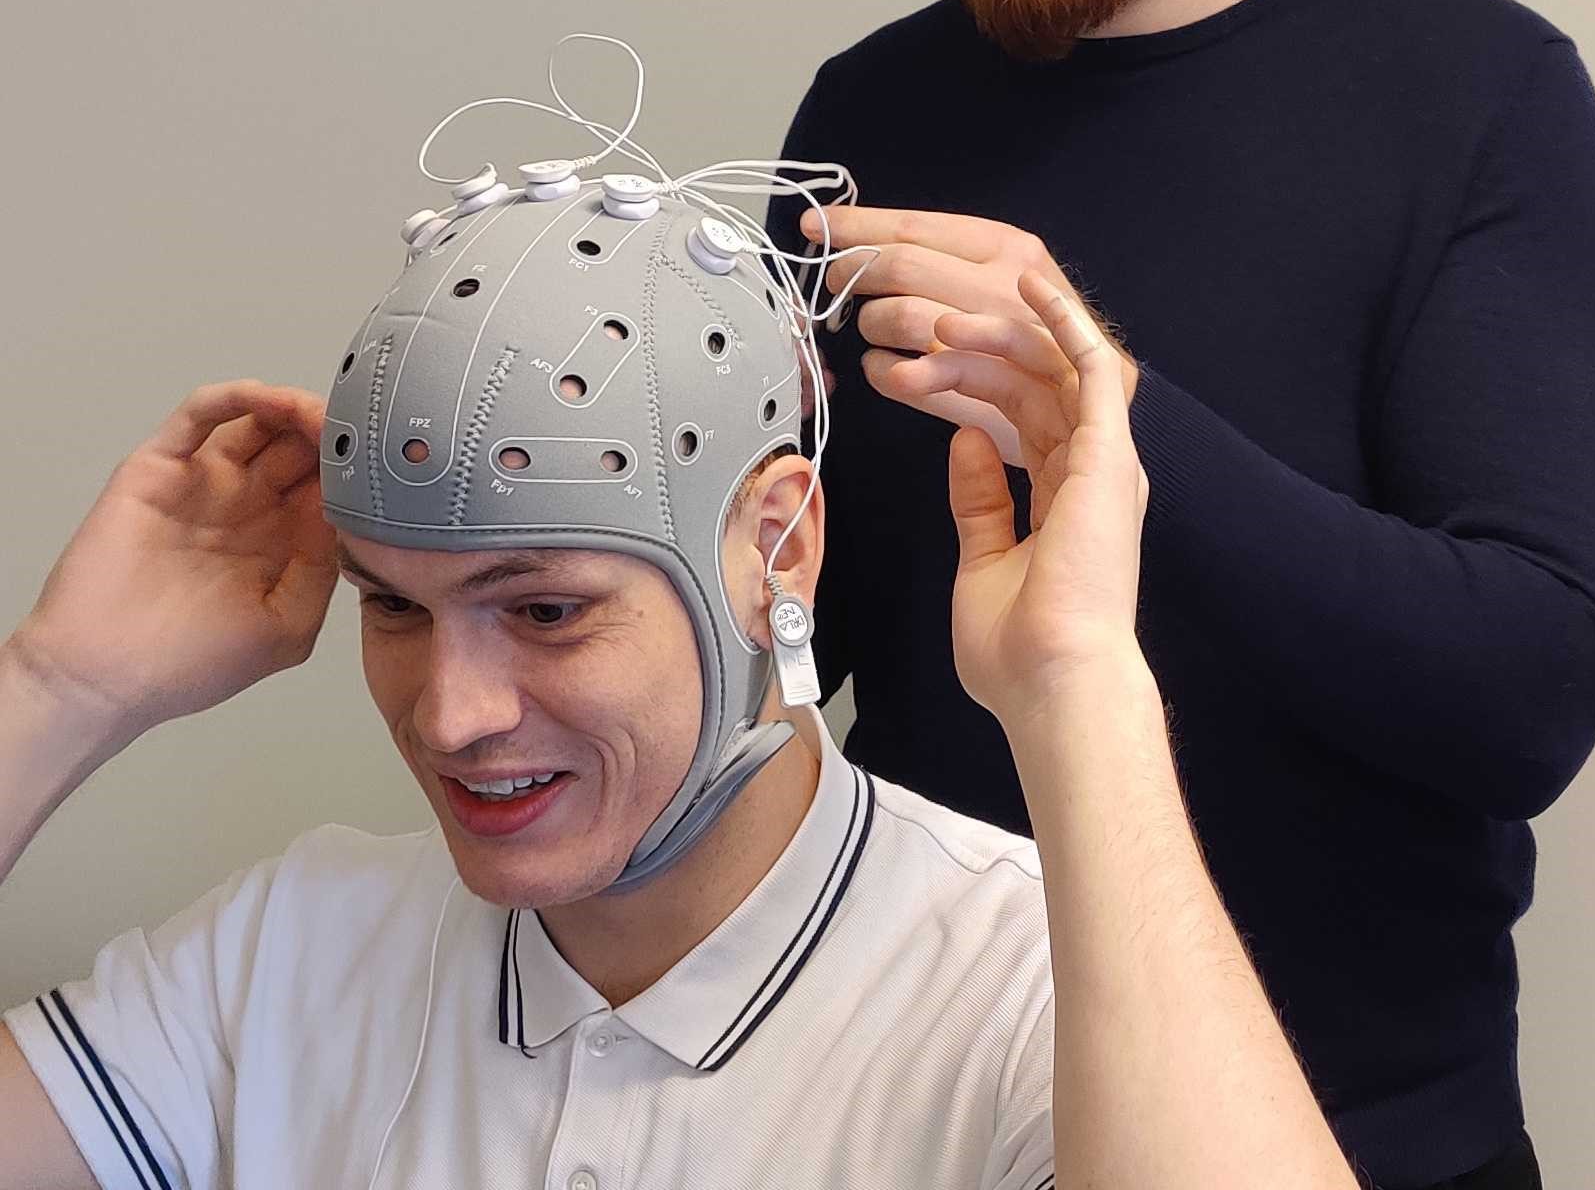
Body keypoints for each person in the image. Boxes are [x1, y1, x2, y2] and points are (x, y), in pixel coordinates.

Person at [766, 0, 1595, 1190]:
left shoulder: (1475, 98)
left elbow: (1528, 696)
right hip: (920, 1129)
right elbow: (788, 642)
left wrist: (1105, 411)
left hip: (1361, 1142)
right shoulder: (864, 117)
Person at [0, 115, 1357, 1189]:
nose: (450, 716)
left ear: (779, 546)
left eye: (545, 611)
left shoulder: (1032, 994)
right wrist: (56, 689)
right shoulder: (291, 957)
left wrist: (1082, 690)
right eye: (395, 607)